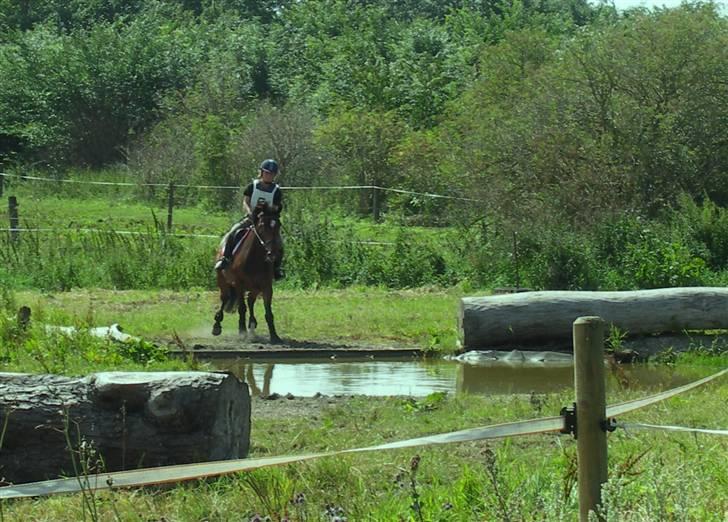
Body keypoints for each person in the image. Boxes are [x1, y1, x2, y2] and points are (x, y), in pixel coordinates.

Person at [214, 159, 285, 279]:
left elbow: (277, 206)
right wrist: (250, 213)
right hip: (251, 218)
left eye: (272, 174)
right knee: (232, 233)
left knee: (279, 242)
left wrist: (269, 211)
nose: (269, 176)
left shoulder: (276, 191)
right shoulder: (253, 186)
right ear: (261, 173)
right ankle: (225, 259)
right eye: (267, 173)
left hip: (266, 222)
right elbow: (245, 201)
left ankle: (277, 268)